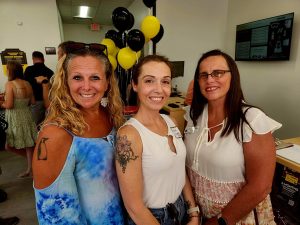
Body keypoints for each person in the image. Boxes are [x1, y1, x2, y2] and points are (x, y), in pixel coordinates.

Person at [184, 49, 282, 225]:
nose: (210, 79)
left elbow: (261, 186)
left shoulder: (251, 119)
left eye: (218, 73)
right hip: (198, 215)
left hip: (236, 219)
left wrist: (220, 221)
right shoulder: (192, 116)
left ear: (233, 76)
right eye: (203, 75)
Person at [32, 42, 125, 224]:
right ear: (66, 82)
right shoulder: (55, 134)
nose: (86, 86)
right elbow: (56, 216)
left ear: (107, 83)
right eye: (77, 78)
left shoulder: (111, 117)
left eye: (95, 78)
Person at [115, 55, 200, 225]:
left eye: (165, 81)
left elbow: (179, 169)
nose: (159, 89)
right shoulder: (129, 135)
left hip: (181, 209)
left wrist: (193, 213)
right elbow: (134, 207)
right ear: (135, 85)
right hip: (151, 218)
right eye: (149, 81)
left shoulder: (171, 121)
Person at [0, 61, 37, 178]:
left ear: (10, 71)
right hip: (26, 115)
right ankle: (31, 168)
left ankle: (35, 162)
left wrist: (1, 103)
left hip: (15, 117)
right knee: (29, 144)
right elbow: (33, 102)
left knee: (8, 146)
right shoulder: (27, 83)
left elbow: (9, 105)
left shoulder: (10, 84)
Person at [24, 51, 54, 125]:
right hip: (49, 101)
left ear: (33, 59)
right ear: (43, 59)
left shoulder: (29, 70)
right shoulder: (50, 71)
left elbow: (25, 85)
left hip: (35, 101)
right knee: (49, 124)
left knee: (35, 124)